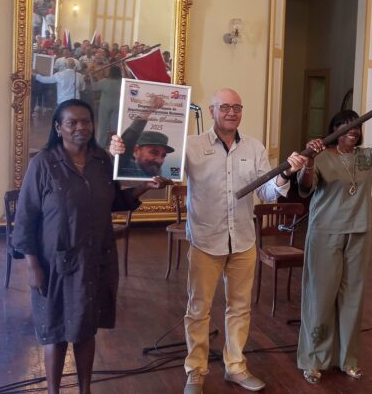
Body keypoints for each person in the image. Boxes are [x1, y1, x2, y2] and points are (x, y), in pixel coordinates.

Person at [111, 88, 306, 394]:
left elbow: (268, 192)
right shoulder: (191, 146)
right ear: (213, 111)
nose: (231, 112)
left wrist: (286, 175)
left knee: (240, 308)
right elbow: (164, 171)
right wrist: (122, 151)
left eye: (237, 107)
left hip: (242, 240)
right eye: (225, 107)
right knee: (198, 309)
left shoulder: (255, 148)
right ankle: (196, 371)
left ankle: (236, 367)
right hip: (205, 239)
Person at [12, 99, 169, 394]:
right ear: (58, 128)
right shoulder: (42, 164)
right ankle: (53, 391)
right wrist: (32, 266)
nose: (80, 127)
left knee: (86, 330)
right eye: (72, 123)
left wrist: (146, 186)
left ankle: (85, 390)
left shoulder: (102, 161)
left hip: (95, 259)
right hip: (54, 263)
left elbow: (116, 202)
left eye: (86, 121)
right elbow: (25, 220)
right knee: (55, 331)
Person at [295, 95, 372, 384]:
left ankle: (348, 358)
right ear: (335, 130)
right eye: (345, 125)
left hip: (359, 231)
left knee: (352, 297)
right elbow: (306, 186)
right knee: (320, 297)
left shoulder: (365, 157)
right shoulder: (320, 156)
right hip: (325, 232)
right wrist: (308, 159)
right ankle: (314, 360)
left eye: (356, 125)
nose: (352, 130)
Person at [116, 96, 174, 178]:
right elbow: (129, 141)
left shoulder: (155, 171)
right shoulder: (125, 167)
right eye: (154, 152)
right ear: (136, 151)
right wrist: (148, 110)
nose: (159, 160)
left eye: (163, 156)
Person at [91, 65, 123, 147]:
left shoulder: (105, 81)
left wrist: (91, 76)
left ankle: (101, 144)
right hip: (118, 104)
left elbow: (94, 87)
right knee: (115, 125)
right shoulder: (122, 81)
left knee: (103, 125)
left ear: (110, 72)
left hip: (105, 105)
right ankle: (115, 143)